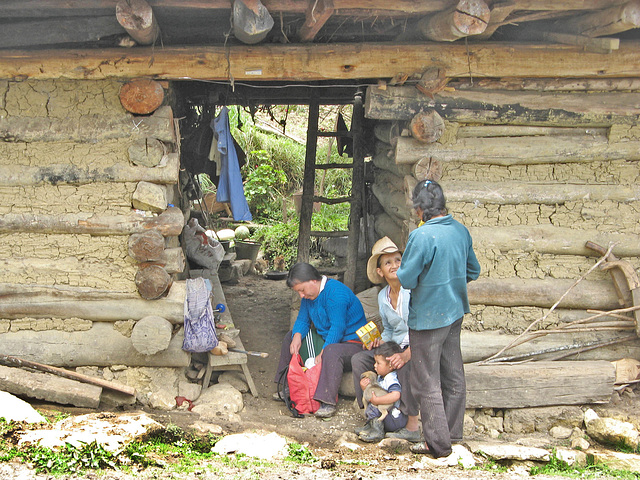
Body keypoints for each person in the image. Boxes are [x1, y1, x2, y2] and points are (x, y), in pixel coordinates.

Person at [397, 179, 481, 458]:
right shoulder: (460, 231)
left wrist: (429, 278)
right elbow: (473, 270)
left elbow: (407, 279)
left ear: (420, 210)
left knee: (426, 380)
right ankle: (453, 434)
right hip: (454, 312)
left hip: (427, 319)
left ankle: (438, 444)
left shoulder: (421, 236)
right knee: (453, 374)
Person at [351, 236, 422, 442]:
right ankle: (372, 418)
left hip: (416, 345)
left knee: (404, 367)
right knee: (360, 360)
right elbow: (390, 329)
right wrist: (380, 343)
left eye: (398, 260)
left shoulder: (414, 290)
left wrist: (408, 353)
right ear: (380, 271)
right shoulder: (383, 296)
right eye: (388, 262)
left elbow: (423, 327)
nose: (394, 265)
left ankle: (411, 425)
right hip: (394, 346)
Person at [274, 262, 368, 418]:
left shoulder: (335, 293)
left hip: (353, 343)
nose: (301, 295)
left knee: (331, 351)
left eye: (302, 290)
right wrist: (297, 336)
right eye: (298, 292)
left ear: (313, 280)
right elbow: (303, 320)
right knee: (290, 337)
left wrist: (323, 352)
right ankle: (287, 386)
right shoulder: (310, 297)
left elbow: (337, 328)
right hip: (328, 339)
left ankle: (327, 400)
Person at [357, 342, 407, 442]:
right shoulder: (381, 377)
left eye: (378, 363)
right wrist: (365, 388)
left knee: (374, 407)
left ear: (391, 365)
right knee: (373, 405)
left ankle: (377, 432)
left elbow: (396, 395)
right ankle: (371, 427)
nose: (375, 366)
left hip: (394, 418)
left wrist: (377, 400)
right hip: (387, 416)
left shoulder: (391, 378)